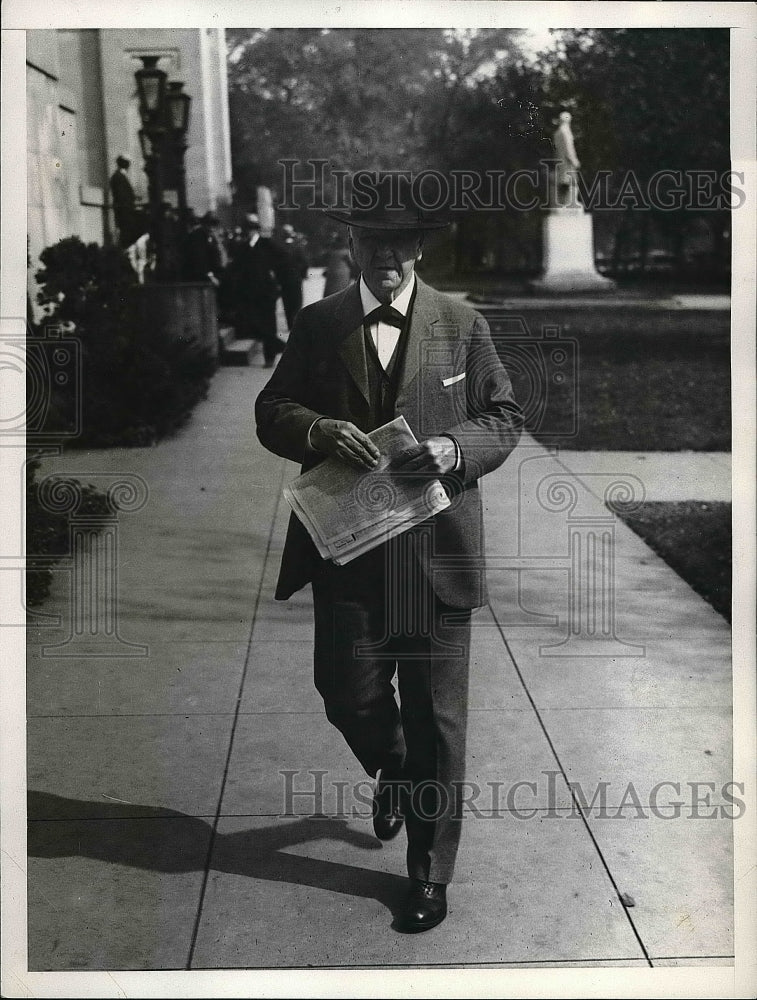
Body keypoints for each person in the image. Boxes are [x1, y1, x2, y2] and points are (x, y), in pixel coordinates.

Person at [255, 175, 523, 932]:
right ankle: (395, 769)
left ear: (417, 247)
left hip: (436, 554)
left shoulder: (461, 324)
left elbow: (503, 415)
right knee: (346, 692)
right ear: (352, 244)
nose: (385, 256)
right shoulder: (319, 325)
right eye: (371, 241)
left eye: (399, 242)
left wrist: (452, 446)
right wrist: (312, 430)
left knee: (440, 721)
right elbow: (270, 409)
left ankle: (429, 875)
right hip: (349, 553)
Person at [228, 213, 287, 367]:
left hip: (267, 292)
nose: (250, 232)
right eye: (249, 229)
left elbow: (283, 259)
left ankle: (270, 357)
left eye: (253, 229)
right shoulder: (242, 247)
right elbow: (236, 268)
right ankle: (281, 347)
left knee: (269, 324)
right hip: (250, 294)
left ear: (257, 230)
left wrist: (275, 275)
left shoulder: (267, 244)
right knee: (257, 324)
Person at [278, 223, 309, 330]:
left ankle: (290, 324)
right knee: (297, 300)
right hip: (295, 278)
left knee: (286, 301)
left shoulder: (280, 247)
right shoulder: (297, 246)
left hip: (284, 279)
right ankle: (295, 323)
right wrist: (302, 274)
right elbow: (304, 262)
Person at [109, 154, 138, 248]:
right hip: (124, 211)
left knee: (127, 233)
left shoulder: (120, 176)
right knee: (126, 234)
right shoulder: (118, 176)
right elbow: (121, 196)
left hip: (126, 210)